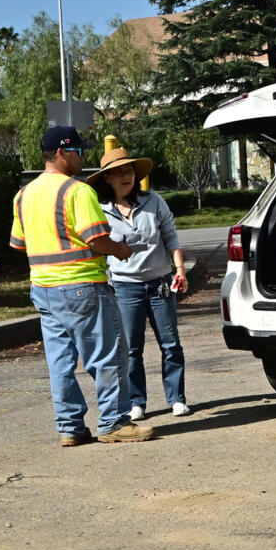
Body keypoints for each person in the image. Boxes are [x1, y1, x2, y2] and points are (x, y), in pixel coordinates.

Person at [9, 126, 155, 447]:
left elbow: (19, 244)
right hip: (82, 286)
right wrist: (122, 249)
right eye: (77, 151)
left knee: (60, 363)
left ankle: (70, 427)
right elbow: (97, 240)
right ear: (62, 153)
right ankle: (113, 422)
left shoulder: (24, 195)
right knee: (108, 355)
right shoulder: (76, 192)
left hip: (44, 290)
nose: (82, 157)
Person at [87, 148, 191, 420]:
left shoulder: (154, 201)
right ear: (107, 178)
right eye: (119, 172)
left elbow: (171, 236)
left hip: (160, 283)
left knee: (170, 344)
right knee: (131, 349)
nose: (126, 177)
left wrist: (180, 269)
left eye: (129, 171)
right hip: (124, 287)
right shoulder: (100, 210)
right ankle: (136, 403)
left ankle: (176, 398)